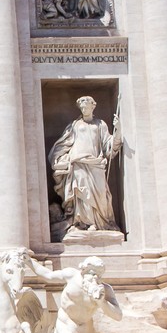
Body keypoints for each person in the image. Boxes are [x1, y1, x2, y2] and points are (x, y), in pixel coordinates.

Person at [49, 96, 123, 235]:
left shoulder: (100, 124)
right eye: (81, 107)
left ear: (93, 106)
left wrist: (118, 130)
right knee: (81, 192)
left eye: (86, 106)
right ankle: (84, 223)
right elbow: (64, 143)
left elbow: (109, 145)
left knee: (100, 194)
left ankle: (100, 223)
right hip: (78, 162)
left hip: (96, 163)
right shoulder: (75, 125)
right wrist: (62, 158)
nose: (84, 109)